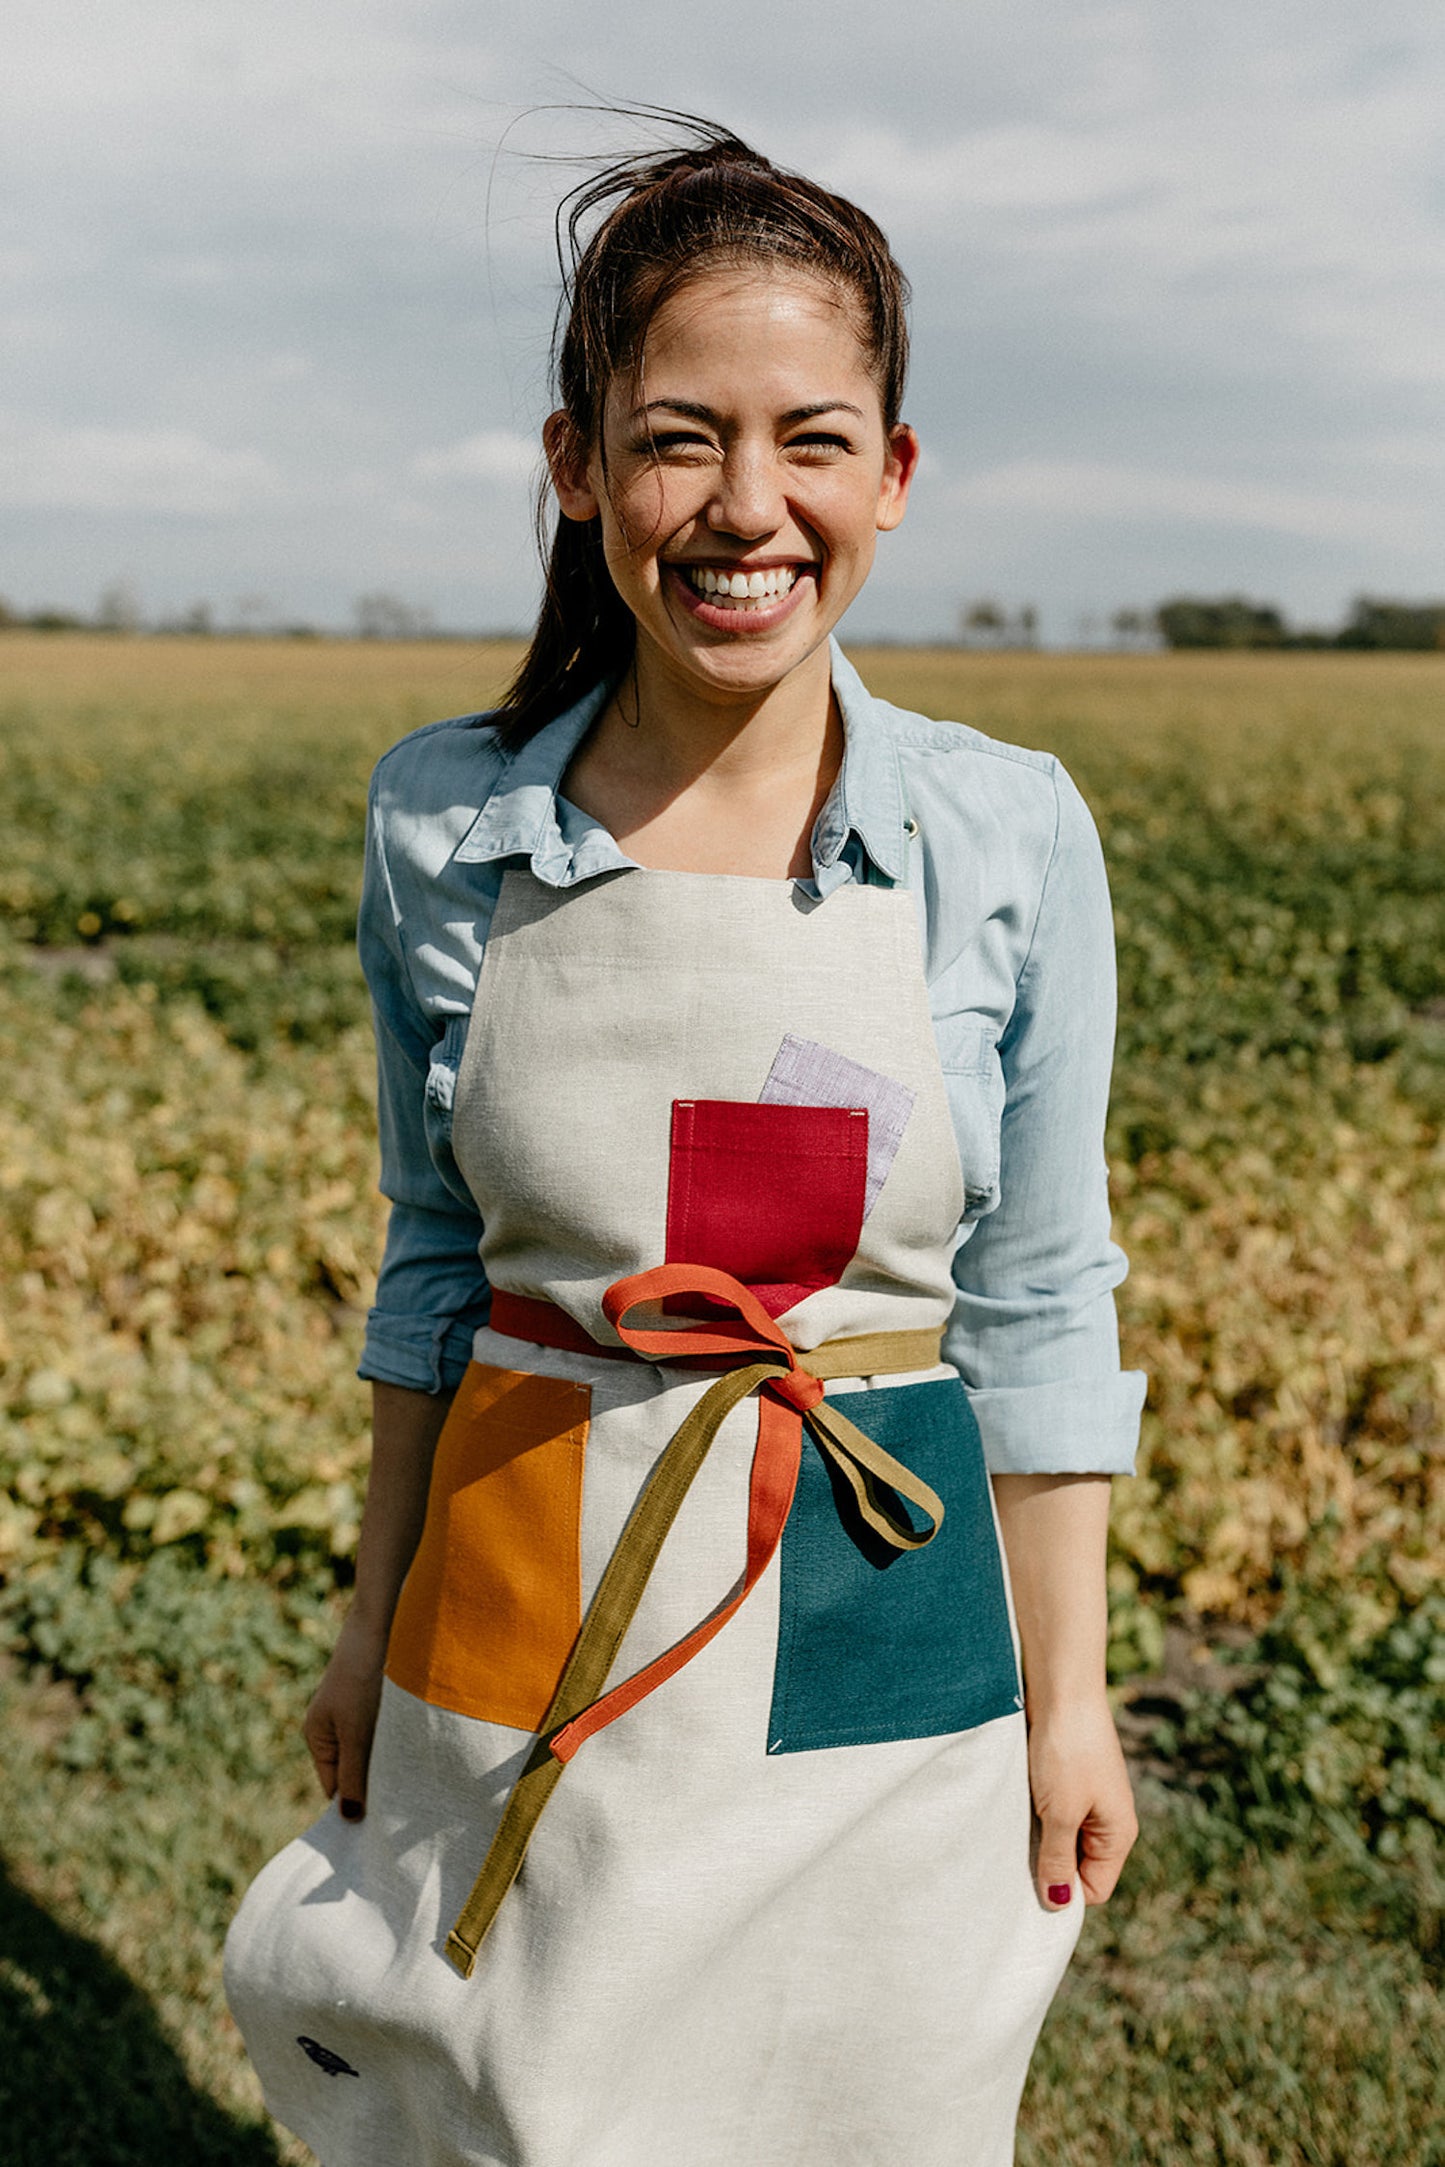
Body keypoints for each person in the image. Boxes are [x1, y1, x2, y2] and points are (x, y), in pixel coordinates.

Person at [225, 122, 1146, 2167]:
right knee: (521, 2103)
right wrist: (370, 1622)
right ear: (577, 468)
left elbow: (1039, 1294)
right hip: (526, 1590)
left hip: (876, 1610)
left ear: (892, 474)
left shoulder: (1005, 835)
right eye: (677, 440)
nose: (747, 506)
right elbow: (435, 1262)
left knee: (862, 2108)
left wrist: (1071, 1695)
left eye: (812, 441)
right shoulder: (443, 824)